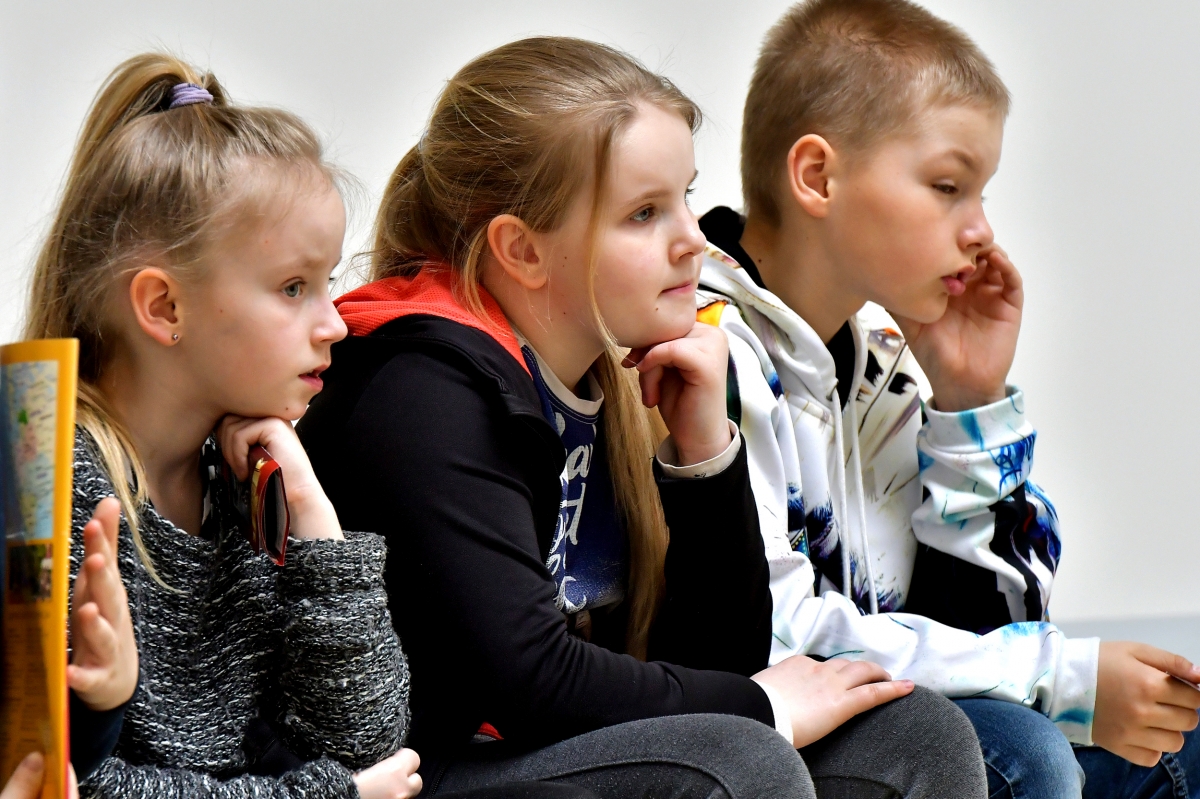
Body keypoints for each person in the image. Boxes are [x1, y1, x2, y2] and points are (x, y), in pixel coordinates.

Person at [298, 36, 987, 799]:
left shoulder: (607, 372)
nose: (693, 239)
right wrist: (761, 707)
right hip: (422, 768)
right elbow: (529, 682)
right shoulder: (423, 389)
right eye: (645, 213)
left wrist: (704, 454)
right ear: (523, 250)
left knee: (915, 736)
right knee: (740, 757)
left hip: (535, 744)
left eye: (686, 196)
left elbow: (714, 663)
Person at [691, 1, 1200, 796]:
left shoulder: (879, 357)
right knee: (1026, 751)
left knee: (1182, 738)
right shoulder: (707, 350)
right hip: (770, 736)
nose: (981, 231)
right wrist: (1060, 678)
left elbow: (989, 633)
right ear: (818, 177)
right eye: (948, 187)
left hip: (896, 718)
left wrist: (968, 401)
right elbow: (779, 638)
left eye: (982, 194)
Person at [21, 53, 421, 799]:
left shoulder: (241, 476)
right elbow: (71, 782)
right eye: (293, 287)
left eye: (328, 283)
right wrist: (329, 796)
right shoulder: (54, 488)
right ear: (165, 307)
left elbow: (367, 739)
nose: (335, 323)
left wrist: (312, 519)